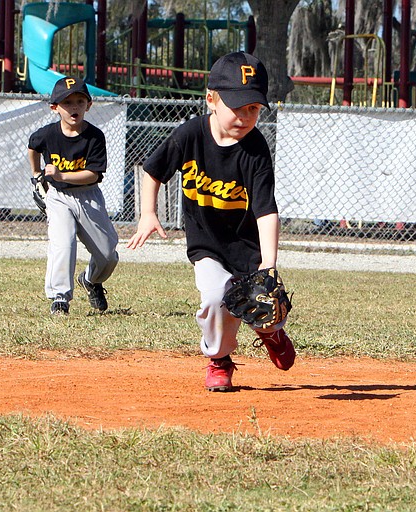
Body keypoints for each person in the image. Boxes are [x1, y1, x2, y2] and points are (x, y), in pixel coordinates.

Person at [127, 51, 295, 392]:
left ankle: (270, 333)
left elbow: (266, 209)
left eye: (253, 108)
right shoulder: (190, 135)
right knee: (215, 295)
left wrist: (269, 263)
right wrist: (148, 213)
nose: (246, 116)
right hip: (206, 243)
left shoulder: (256, 148)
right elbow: (153, 170)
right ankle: (219, 360)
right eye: (237, 106)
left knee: (260, 303)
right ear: (211, 100)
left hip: (247, 245)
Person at [28, 77, 119, 315]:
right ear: (54, 107)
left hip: (88, 196)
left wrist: (61, 175)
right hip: (58, 197)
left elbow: (93, 175)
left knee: (108, 255)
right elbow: (32, 146)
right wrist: (36, 174)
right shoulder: (47, 134)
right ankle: (60, 298)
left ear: (88, 105)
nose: (74, 107)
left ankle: (90, 279)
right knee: (63, 245)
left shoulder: (95, 136)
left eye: (80, 101)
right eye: (67, 102)